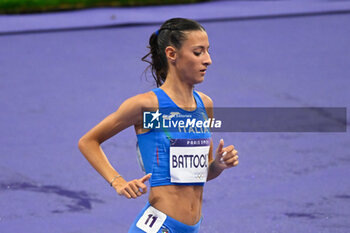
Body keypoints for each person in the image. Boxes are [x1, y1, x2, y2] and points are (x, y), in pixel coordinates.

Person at [78, 18, 239, 233]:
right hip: (159, 227)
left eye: (208, 51)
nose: (208, 60)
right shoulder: (146, 106)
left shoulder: (205, 105)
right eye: (198, 52)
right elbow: (88, 141)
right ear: (172, 54)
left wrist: (218, 165)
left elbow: (202, 174)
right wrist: (118, 182)